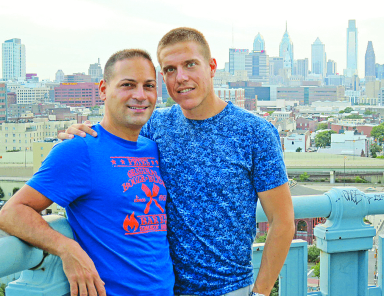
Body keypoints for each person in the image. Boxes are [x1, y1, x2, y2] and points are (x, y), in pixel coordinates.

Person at [61, 27, 295, 296]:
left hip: (230, 289)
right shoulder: (154, 125)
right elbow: (113, 137)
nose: (181, 77)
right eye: (170, 69)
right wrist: (79, 134)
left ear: (211, 67)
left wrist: (261, 292)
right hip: (164, 288)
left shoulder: (255, 132)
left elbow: (282, 220)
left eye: (190, 65)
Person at [0, 49, 175, 296]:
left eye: (149, 86)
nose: (140, 95)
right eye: (128, 85)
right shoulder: (78, 150)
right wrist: (66, 247)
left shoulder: (152, 148)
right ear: (103, 89)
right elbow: (11, 212)